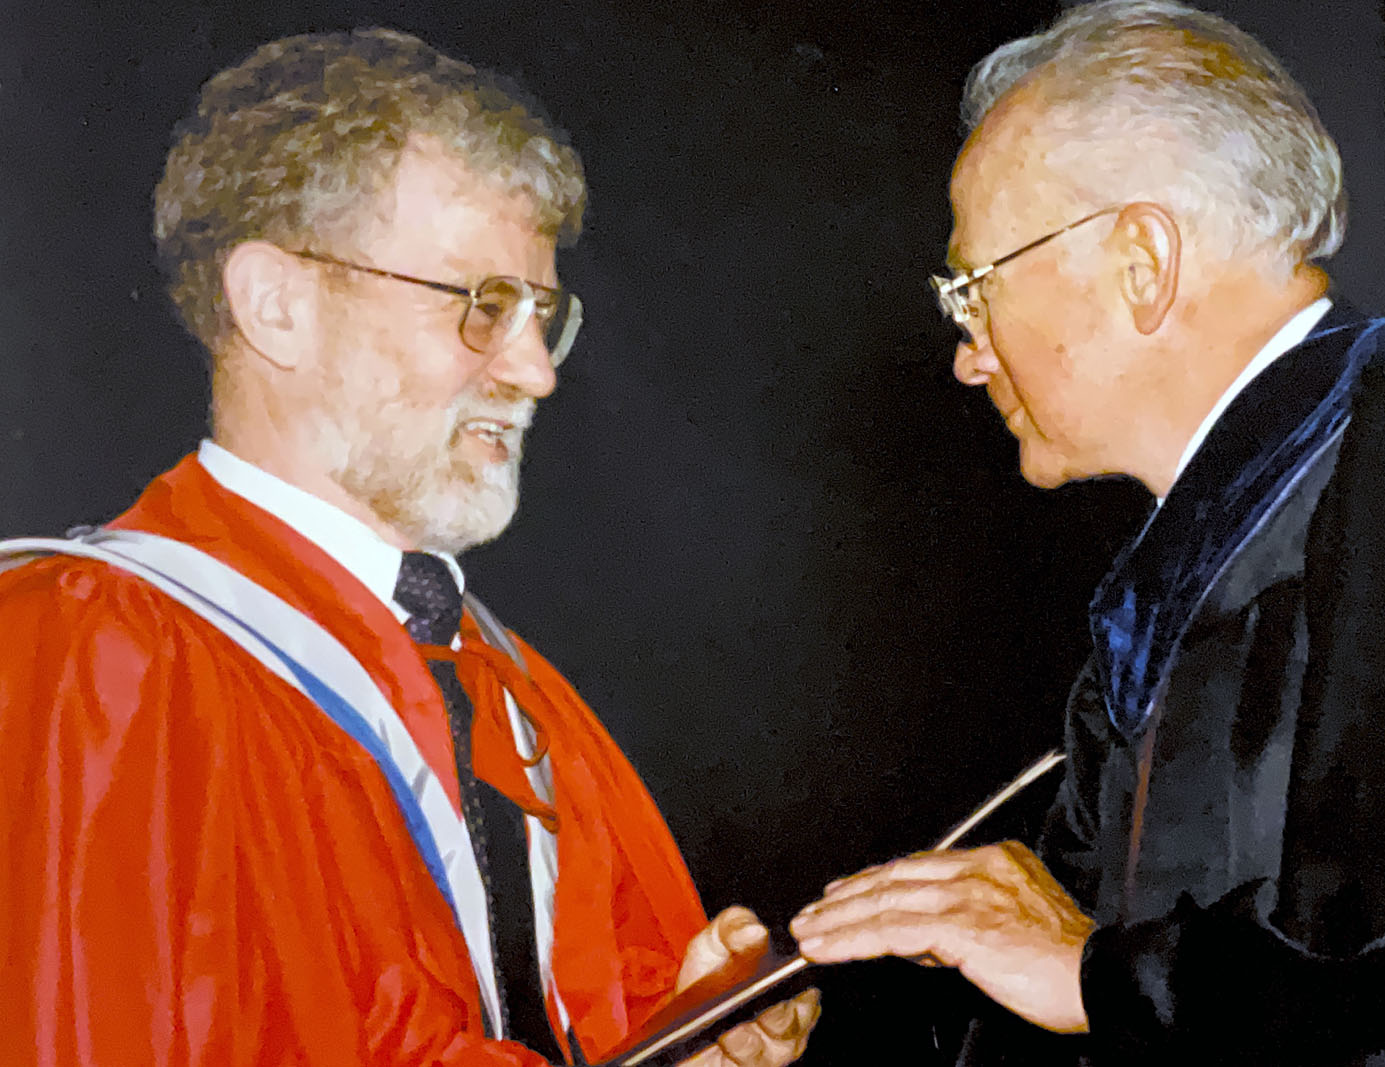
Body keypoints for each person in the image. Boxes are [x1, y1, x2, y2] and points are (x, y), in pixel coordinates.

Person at [791, 1, 1385, 1063]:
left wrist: (1102, 977)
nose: (968, 356)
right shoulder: (1176, 593)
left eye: (973, 290)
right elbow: (1088, 990)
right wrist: (802, 1026)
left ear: (1141, 261)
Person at [0, 29, 817, 1067]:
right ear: (278, 306)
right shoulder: (91, 662)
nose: (535, 371)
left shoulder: (512, 691)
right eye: (481, 305)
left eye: (542, 313)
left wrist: (685, 1038)